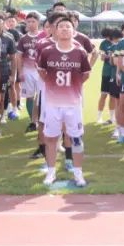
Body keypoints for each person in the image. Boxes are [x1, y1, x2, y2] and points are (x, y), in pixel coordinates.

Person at [37, 14, 91, 187]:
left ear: (73, 31)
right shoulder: (47, 51)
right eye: (61, 27)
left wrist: (73, 87)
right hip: (52, 104)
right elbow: (42, 72)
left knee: (76, 138)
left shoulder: (80, 52)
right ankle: (51, 172)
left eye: (68, 26)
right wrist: (53, 86)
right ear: (55, 30)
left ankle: (78, 173)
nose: (65, 29)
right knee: (51, 138)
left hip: (73, 104)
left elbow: (86, 74)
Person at [97, 27, 120, 124]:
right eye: (105, 37)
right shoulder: (104, 43)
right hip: (106, 72)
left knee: (113, 96)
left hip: (115, 73)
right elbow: (102, 57)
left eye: (107, 36)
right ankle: (99, 117)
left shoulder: (119, 43)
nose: (106, 38)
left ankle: (112, 117)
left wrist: (111, 57)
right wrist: (110, 57)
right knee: (103, 94)